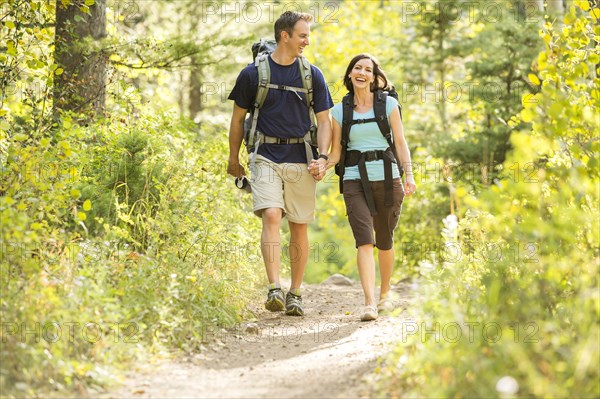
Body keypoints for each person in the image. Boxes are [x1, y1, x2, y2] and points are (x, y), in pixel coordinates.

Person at [227, 11, 333, 316]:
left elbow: (324, 121)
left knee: (299, 226)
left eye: (308, 35)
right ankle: (274, 287)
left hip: (303, 157)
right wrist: (233, 159)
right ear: (284, 35)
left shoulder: (313, 74)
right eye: (302, 35)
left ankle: (295, 293)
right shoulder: (252, 74)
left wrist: (323, 157)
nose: (307, 41)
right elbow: (237, 120)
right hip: (264, 155)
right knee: (272, 215)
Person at [322, 53, 416, 321]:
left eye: (367, 69)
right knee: (364, 240)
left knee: (384, 241)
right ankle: (369, 303)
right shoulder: (339, 111)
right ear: (350, 75)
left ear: (374, 78)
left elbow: (400, 143)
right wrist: (322, 165)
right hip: (354, 179)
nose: (361, 72)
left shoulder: (389, 105)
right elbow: (336, 153)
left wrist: (409, 175)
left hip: (388, 178)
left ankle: (385, 293)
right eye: (357, 68)